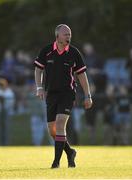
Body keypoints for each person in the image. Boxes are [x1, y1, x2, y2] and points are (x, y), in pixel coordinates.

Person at [34, 24, 93, 168]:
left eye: (69, 34)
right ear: (57, 36)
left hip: (68, 93)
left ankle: (56, 162)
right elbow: (38, 69)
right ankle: (70, 151)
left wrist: (88, 95)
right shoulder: (47, 51)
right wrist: (39, 87)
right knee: (53, 131)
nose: (68, 37)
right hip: (51, 94)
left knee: (60, 124)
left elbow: (82, 75)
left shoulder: (74, 53)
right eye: (66, 34)